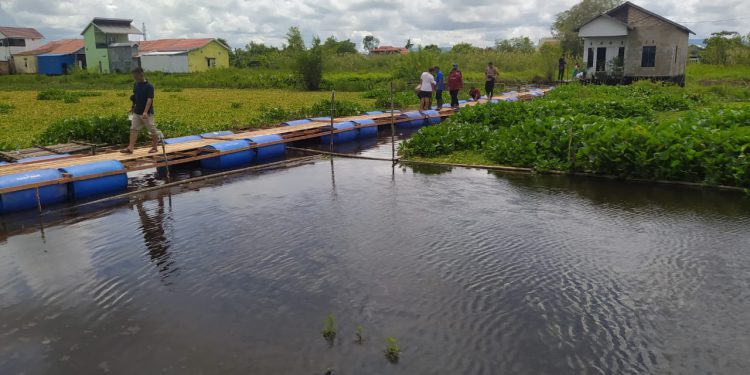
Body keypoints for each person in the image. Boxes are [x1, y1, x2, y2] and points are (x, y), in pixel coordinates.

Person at [121, 67, 158, 154]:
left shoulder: (149, 87)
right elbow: (135, 97)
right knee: (133, 129)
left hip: (147, 113)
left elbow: (149, 100)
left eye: (136, 77)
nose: (135, 79)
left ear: (141, 75)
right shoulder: (136, 85)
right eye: (134, 77)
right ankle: (130, 148)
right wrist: (132, 107)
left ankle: (155, 147)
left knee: (151, 129)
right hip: (137, 112)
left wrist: (145, 111)